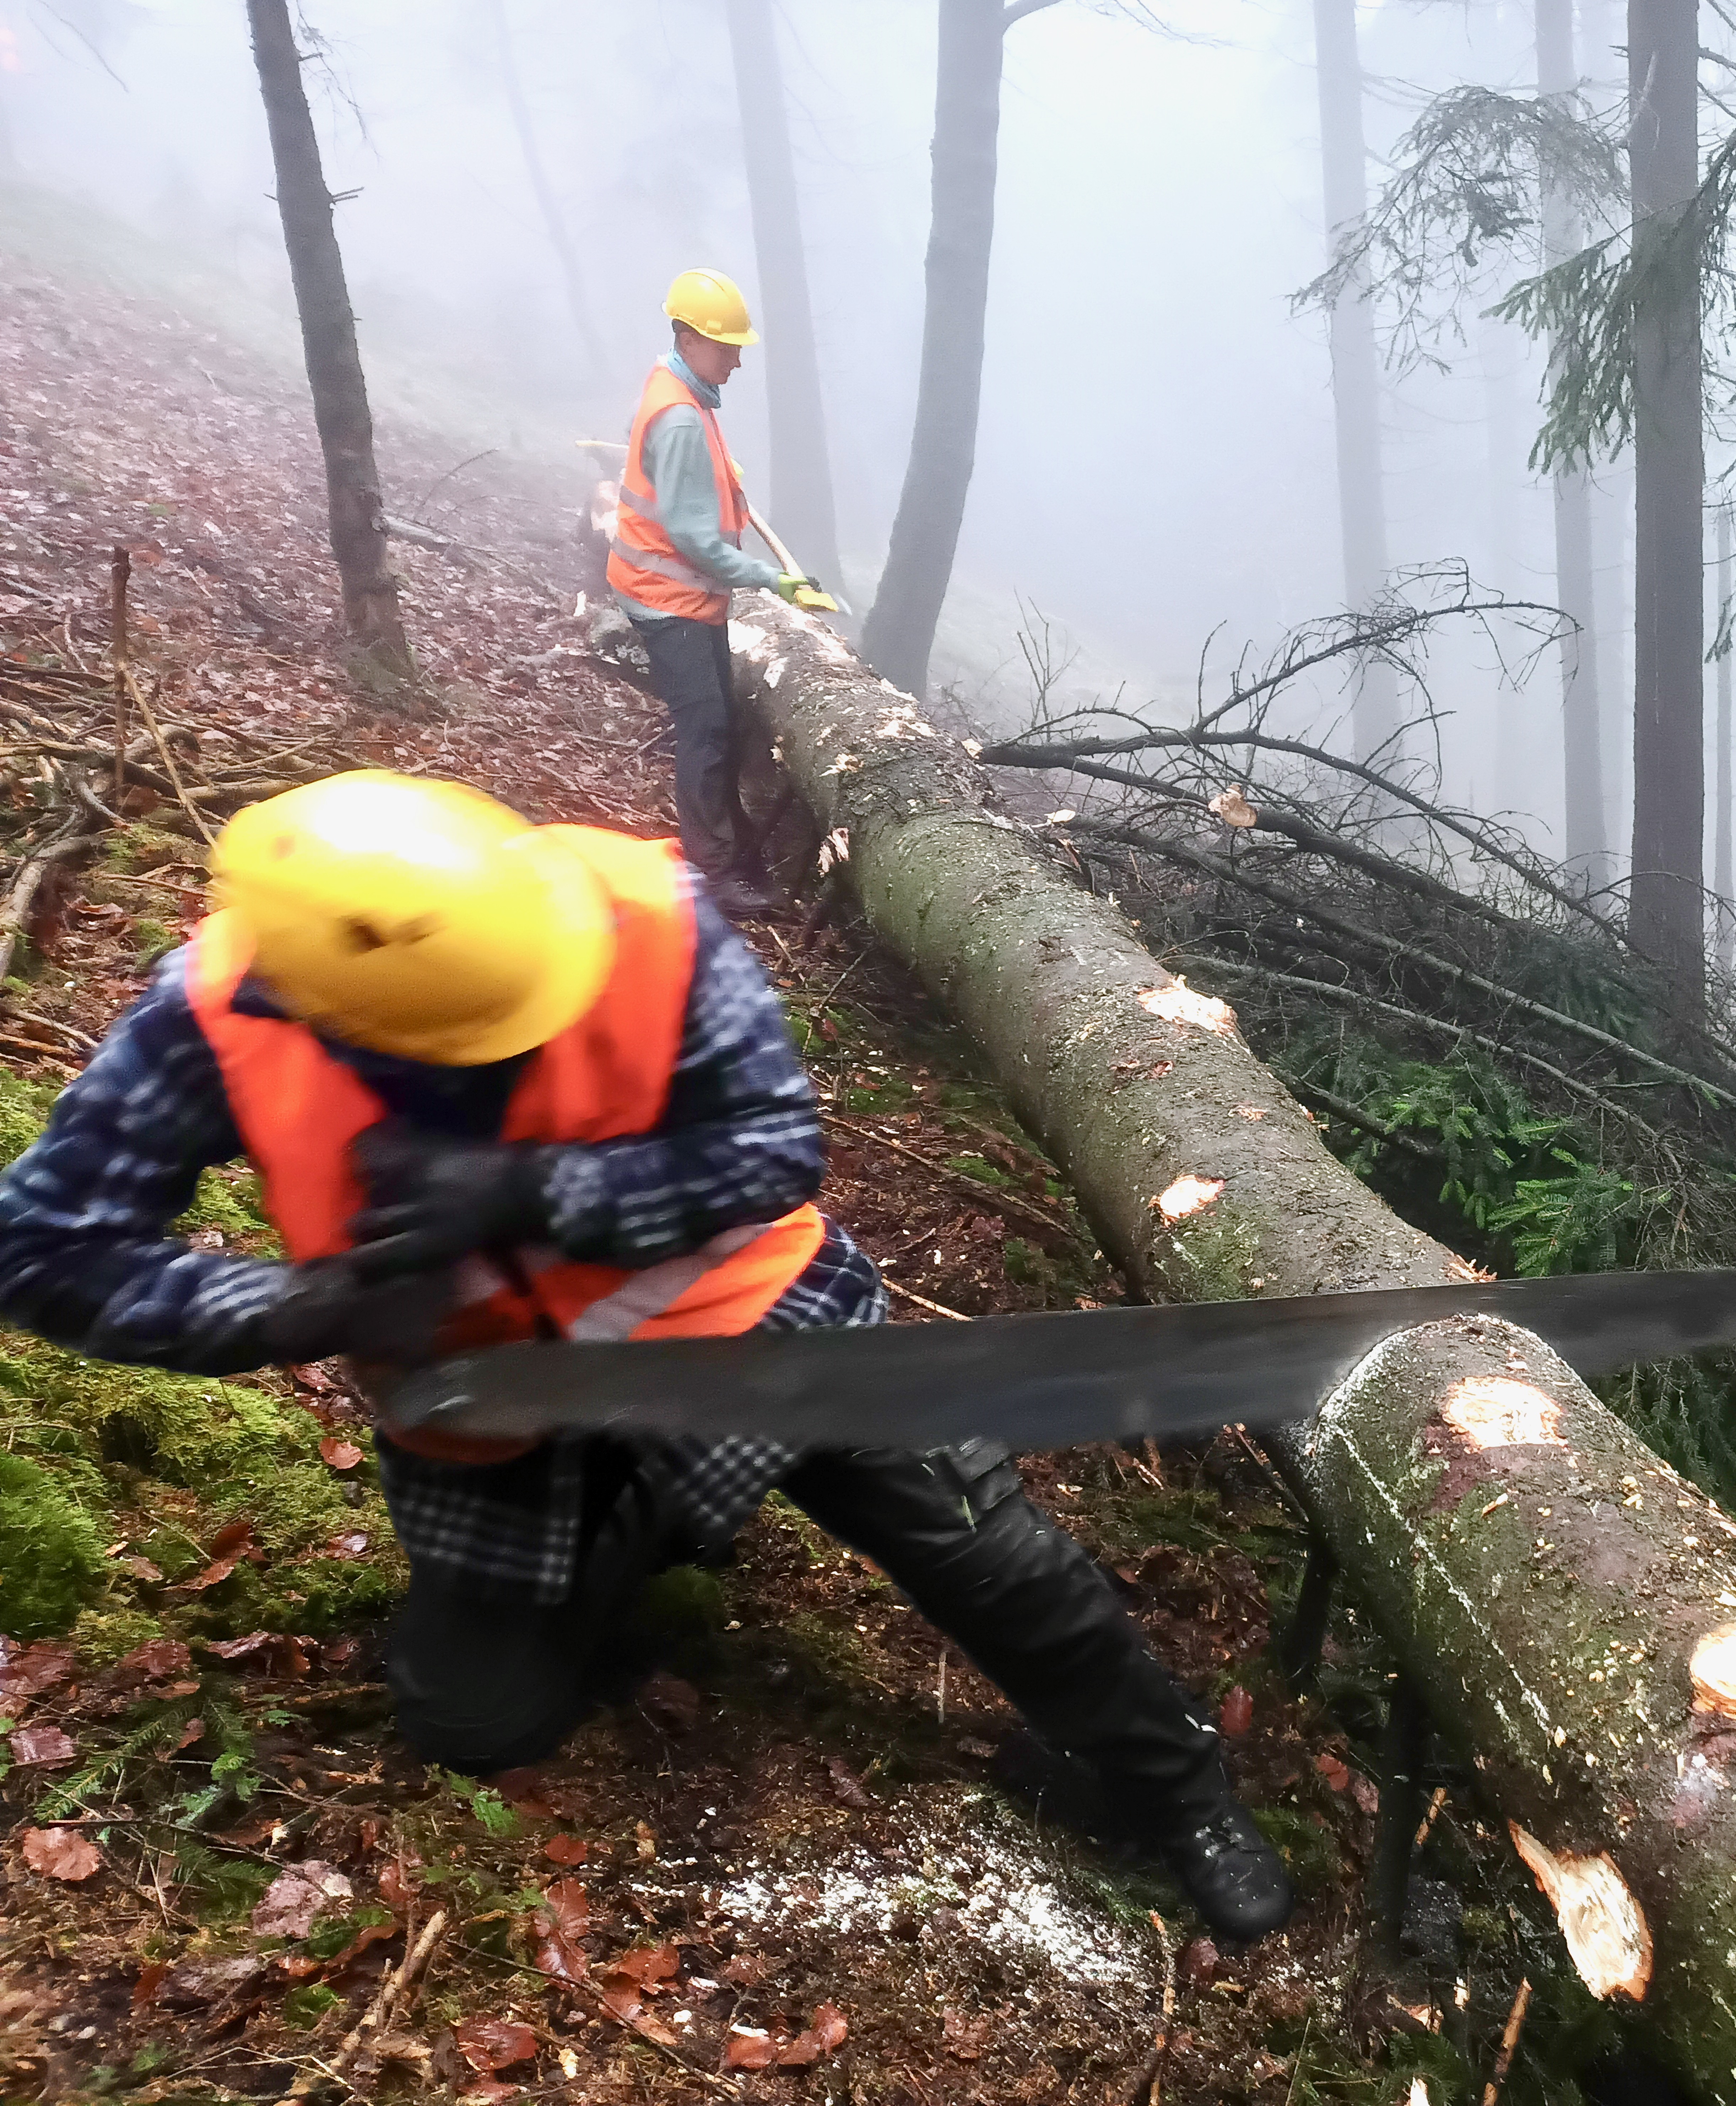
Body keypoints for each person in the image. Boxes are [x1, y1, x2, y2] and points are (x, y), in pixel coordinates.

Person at [0, 771, 1294, 1942]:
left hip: (746, 1319)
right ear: (317, 1010)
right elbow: (44, 1248)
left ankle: (1169, 1782)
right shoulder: (216, 1014)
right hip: (486, 1396)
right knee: (474, 1721)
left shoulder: (646, 922)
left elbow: (774, 1148)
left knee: (978, 1542)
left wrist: (530, 1191)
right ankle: (644, 1519)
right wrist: (289, 1312)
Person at [603, 268, 836, 923]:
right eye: (727, 346)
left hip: (684, 598)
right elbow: (694, 541)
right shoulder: (681, 415)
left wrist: (716, 476)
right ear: (688, 336)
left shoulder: (680, 390)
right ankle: (714, 876)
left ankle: (731, 853)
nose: (736, 360)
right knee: (704, 732)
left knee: (719, 725)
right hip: (666, 598)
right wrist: (774, 580)